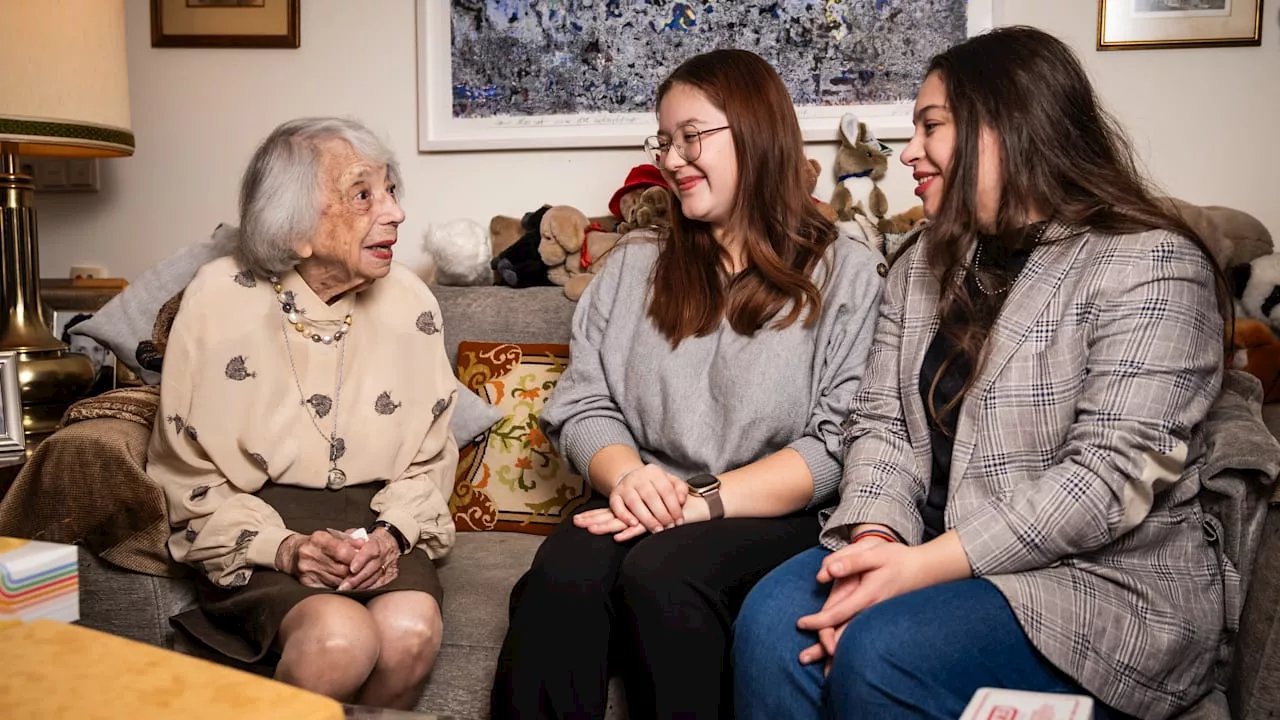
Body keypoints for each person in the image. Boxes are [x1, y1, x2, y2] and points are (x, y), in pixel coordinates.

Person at [732, 25, 1235, 720]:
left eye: (929, 126)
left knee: (881, 649)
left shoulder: (1150, 263)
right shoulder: (919, 265)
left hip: (1093, 582)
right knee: (770, 625)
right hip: (923, 544)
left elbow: (1111, 477)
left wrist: (917, 572)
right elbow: (879, 424)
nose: (907, 152)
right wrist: (876, 540)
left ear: (1005, 126)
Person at [489, 49, 886, 719]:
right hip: (645, 497)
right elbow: (584, 402)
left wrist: (698, 501)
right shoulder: (636, 263)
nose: (672, 159)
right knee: (560, 576)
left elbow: (837, 443)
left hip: (773, 513)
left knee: (664, 573)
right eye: (665, 140)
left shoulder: (846, 268)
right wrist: (630, 480)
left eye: (691, 137)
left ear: (756, 135)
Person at [148, 117, 458, 710]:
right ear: (295, 231)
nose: (394, 213)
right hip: (261, 519)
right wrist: (285, 546)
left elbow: (431, 455)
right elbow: (186, 469)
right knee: (340, 640)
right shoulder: (217, 297)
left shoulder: (412, 300)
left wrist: (394, 533)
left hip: (381, 516)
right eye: (363, 194)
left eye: (391, 190)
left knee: (410, 630)